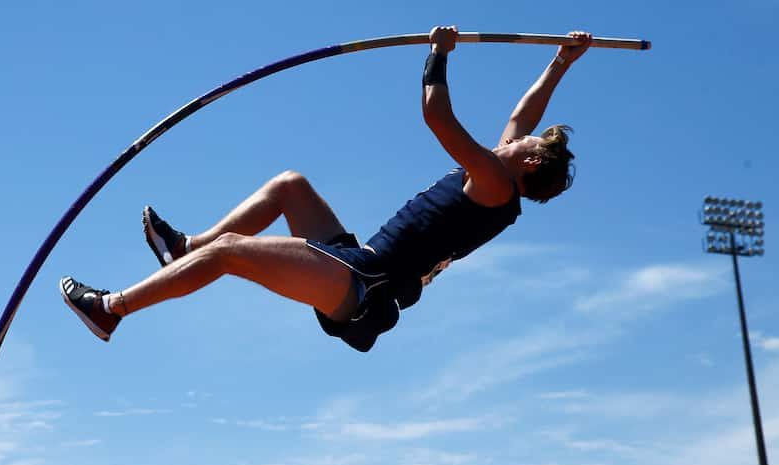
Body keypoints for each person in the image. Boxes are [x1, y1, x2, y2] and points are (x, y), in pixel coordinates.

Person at [60, 26, 591, 352]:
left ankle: (112, 308)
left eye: (524, 144)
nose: (513, 137)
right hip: (359, 259)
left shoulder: (496, 182)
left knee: (230, 255)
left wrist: (438, 55)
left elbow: (437, 116)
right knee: (290, 187)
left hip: (365, 286)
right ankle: (183, 250)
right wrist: (561, 62)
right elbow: (526, 114)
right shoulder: (502, 174)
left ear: (530, 164)